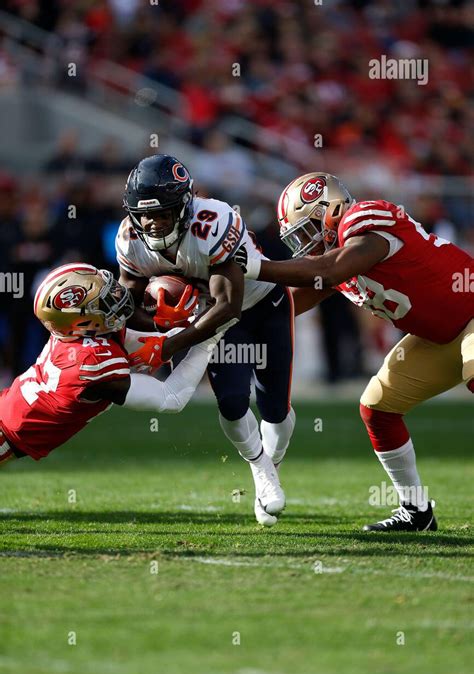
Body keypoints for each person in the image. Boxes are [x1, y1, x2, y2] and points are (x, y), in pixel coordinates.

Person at [233, 172, 474, 532]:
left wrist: (254, 266)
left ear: (331, 210)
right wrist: (223, 313)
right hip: (439, 337)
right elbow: (284, 306)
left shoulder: (364, 220)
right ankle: (416, 510)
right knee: (378, 408)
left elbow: (329, 270)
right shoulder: (338, 261)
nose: (304, 243)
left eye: (307, 229)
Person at [116, 154, 296, 526]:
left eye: (163, 212)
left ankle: (270, 466)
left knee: (275, 407)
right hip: (211, 321)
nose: (152, 222)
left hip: (261, 306)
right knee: (231, 403)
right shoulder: (130, 238)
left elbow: (229, 304)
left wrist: (168, 344)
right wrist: (156, 322)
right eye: (145, 214)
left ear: (184, 205)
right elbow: (128, 301)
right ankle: (262, 471)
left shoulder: (212, 221)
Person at [0, 263, 219, 468]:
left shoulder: (81, 333)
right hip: (7, 433)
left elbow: (154, 343)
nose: (118, 294)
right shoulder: (90, 362)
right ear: (82, 321)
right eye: (102, 301)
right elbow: (171, 398)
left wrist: (194, 321)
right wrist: (210, 337)